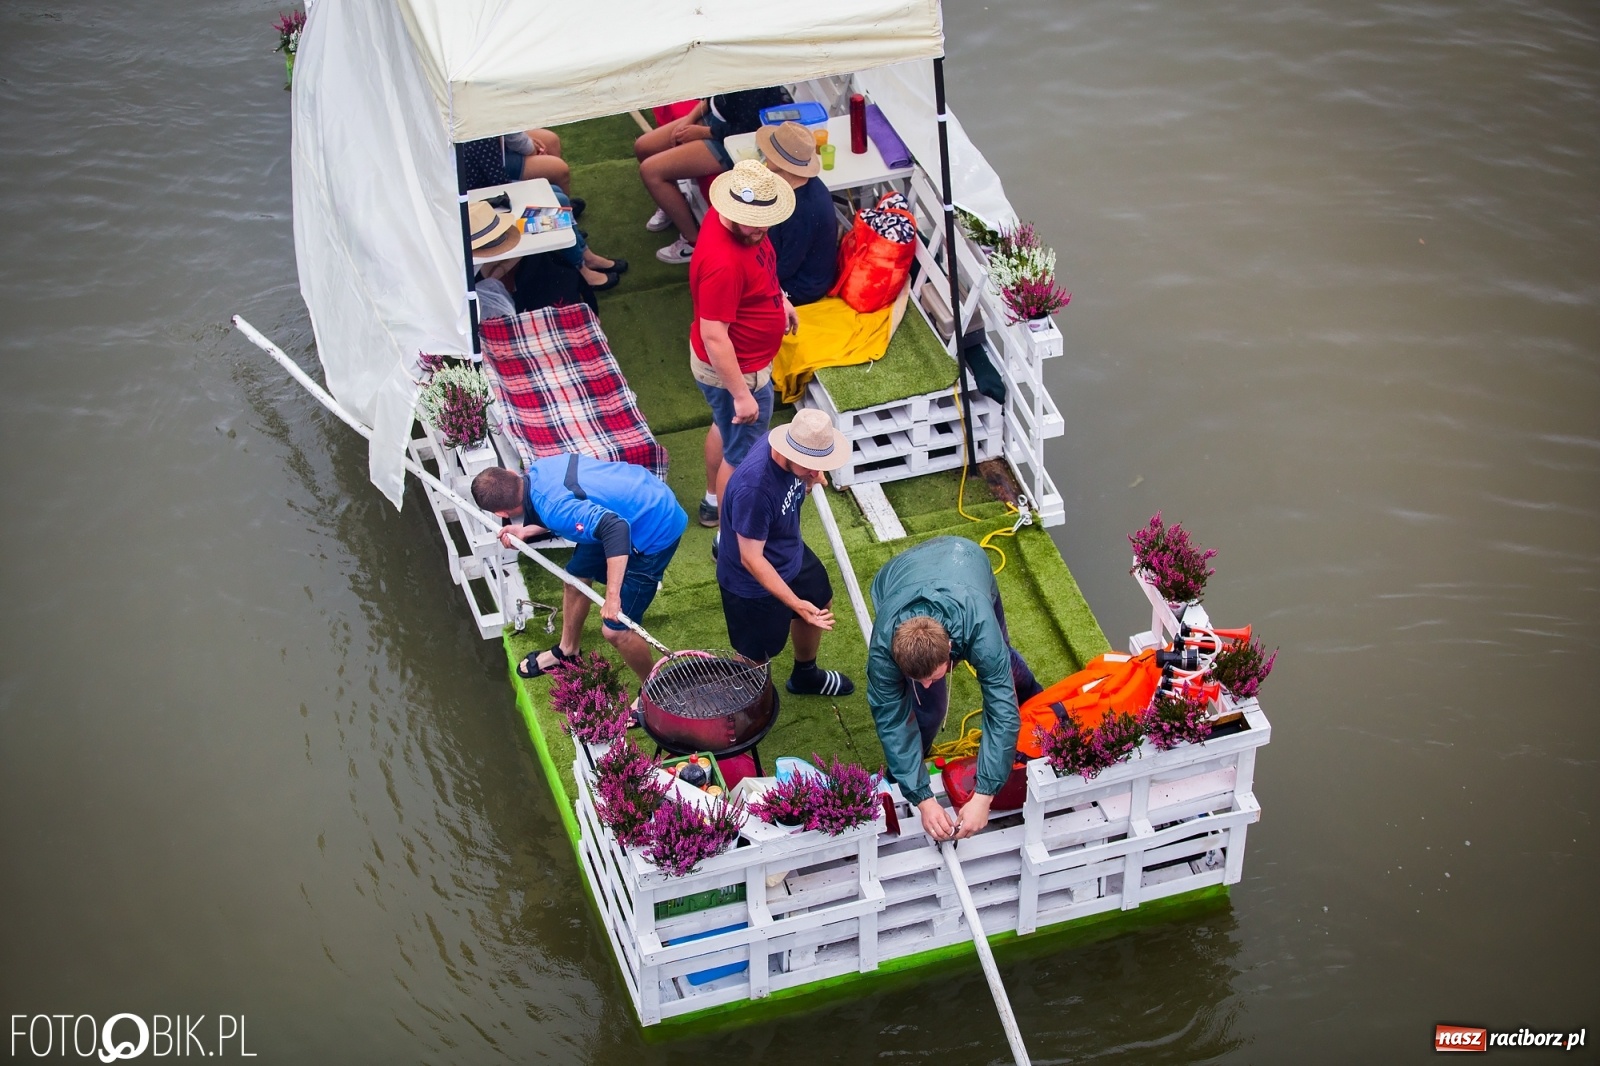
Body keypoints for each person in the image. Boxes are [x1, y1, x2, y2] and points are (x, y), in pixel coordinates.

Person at [865, 537, 1044, 841]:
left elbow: (1000, 712)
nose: (924, 684)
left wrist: (984, 795)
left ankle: (1039, 702)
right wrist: (923, 799)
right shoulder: (884, 647)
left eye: (933, 675)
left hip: (966, 561)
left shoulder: (980, 630)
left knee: (1005, 667)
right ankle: (903, 778)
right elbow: (892, 720)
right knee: (929, 709)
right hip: (898, 576)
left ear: (950, 649)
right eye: (915, 678)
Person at [470, 458, 686, 685]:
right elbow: (569, 503)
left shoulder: (555, 509)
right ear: (511, 473)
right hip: (631, 500)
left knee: (616, 631)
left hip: (656, 523)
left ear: (502, 512)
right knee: (574, 580)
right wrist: (527, 530)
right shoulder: (540, 468)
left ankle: (653, 688)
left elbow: (616, 529)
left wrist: (613, 598)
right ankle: (568, 651)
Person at [688, 158, 798, 529]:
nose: (762, 228)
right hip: (739, 373)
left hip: (743, 366)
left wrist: (779, 300)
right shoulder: (722, 263)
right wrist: (741, 394)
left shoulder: (735, 224)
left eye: (766, 217)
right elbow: (714, 335)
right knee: (742, 456)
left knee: (724, 428)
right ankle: (728, 531)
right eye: (752, 221)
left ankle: (710, 502)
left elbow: (759, 271)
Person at [717, 409, 856, 697]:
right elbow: (751, 559)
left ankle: (806, 676)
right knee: (754, 655)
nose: (818, 472)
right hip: (751, 581)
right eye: (811, 465)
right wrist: (795, 602)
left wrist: (808, 479)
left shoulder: (792, 450)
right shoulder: (754, 489)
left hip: (789, 550)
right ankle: (746, 708)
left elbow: (793, 488)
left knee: (819, 601)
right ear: (789, 452)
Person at [636, 87, 790, 264]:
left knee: (650, 171)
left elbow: (747, 128)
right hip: (711, 121)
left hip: (732, 140)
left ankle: (692, 242)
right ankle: (673, 204)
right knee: (643, 147)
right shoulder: (724, 63)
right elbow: (712, 99)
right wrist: (688, 120)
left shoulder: (756, 79)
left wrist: (701, 132)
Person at [755, 121, 838, 305]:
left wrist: (753, 281)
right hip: (788, 265)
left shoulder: (801, 211)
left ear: (780, 163)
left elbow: (786, 267)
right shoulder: (799, 186)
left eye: (768, 152)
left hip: (802, 286)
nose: (764, 156)